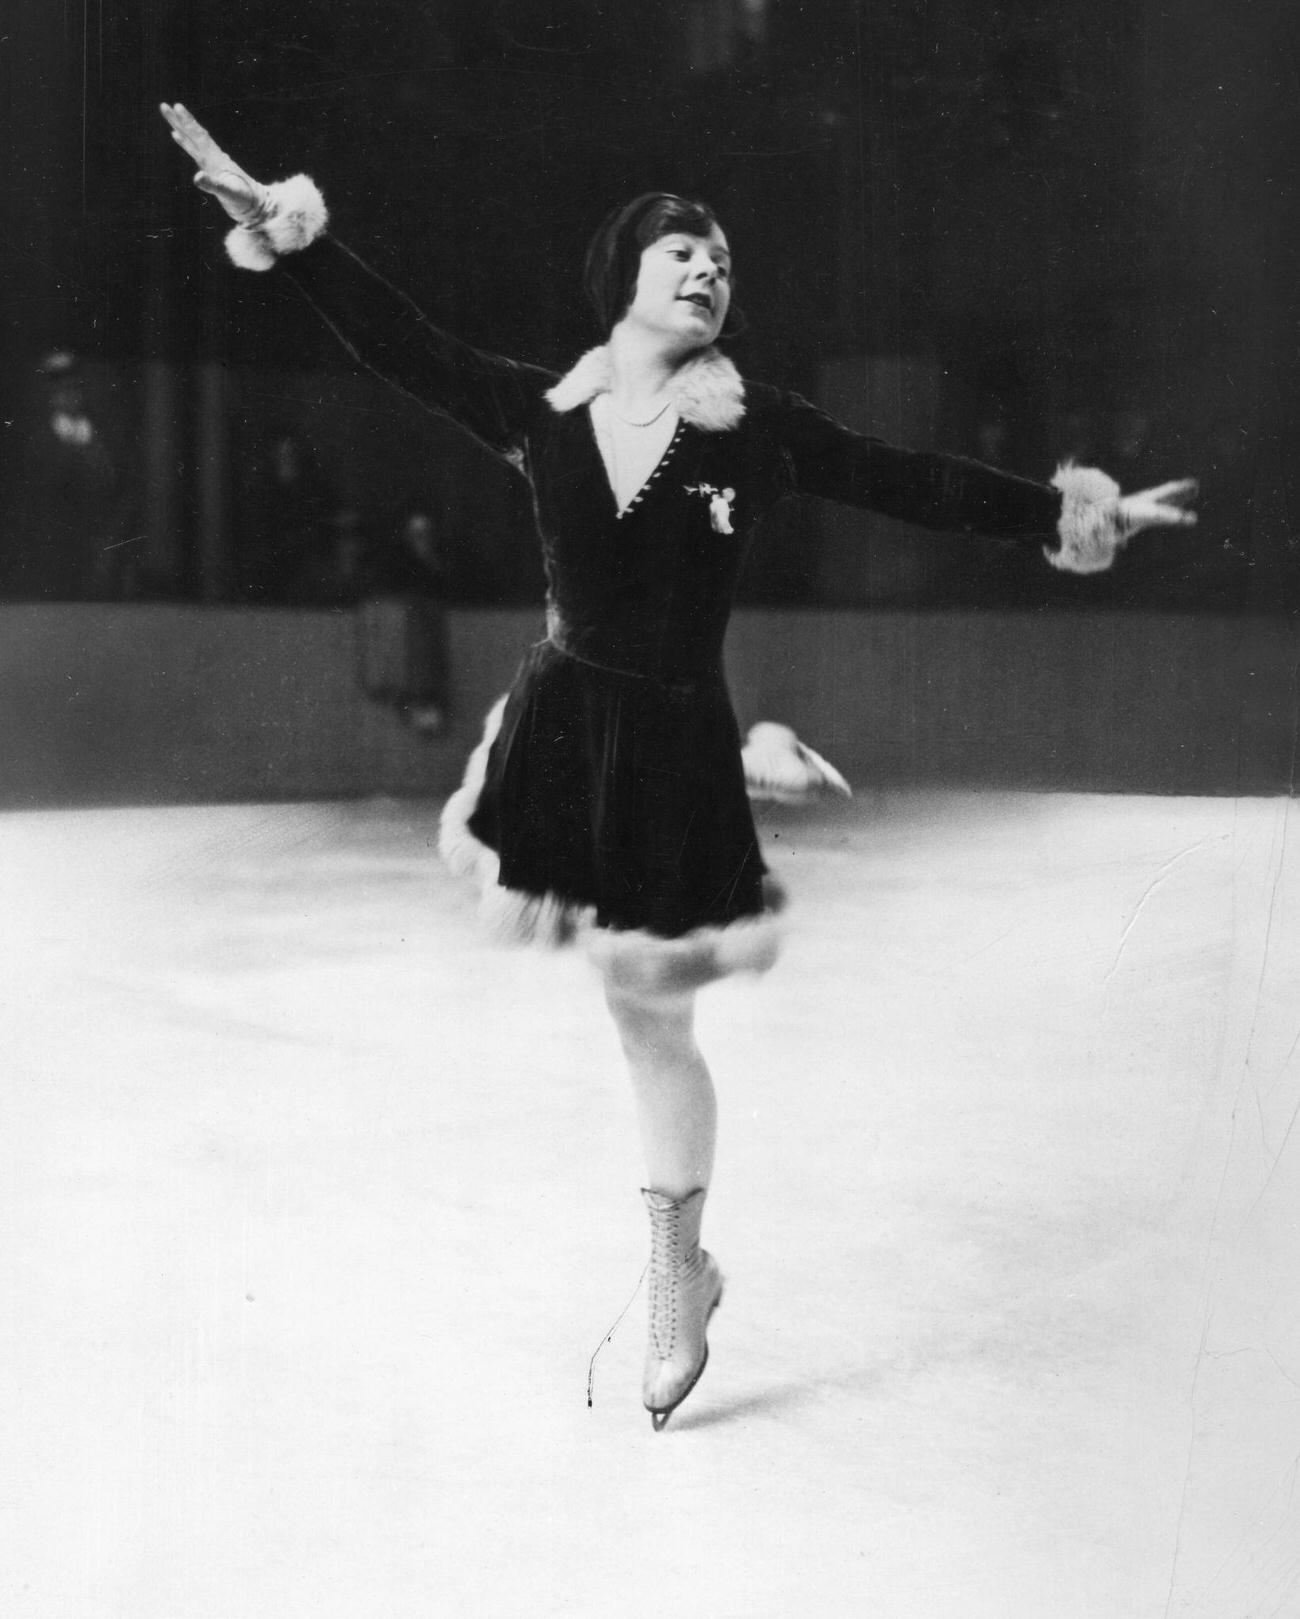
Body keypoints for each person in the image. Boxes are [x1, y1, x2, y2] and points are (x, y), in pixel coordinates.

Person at [160, 102, 1197, 1430]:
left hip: (672, 749)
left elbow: (907, 479)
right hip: (564, 728)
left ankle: (675, 1270)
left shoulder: (751, 425)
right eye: (683, 254)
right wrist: (292, 238)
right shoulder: (544, 412)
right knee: (622, 1004)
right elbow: (404, 346)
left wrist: (1062, 511)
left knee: (651, 1014)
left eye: (722, 259)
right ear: (624, 282)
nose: (710, 269)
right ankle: (680, 1260)